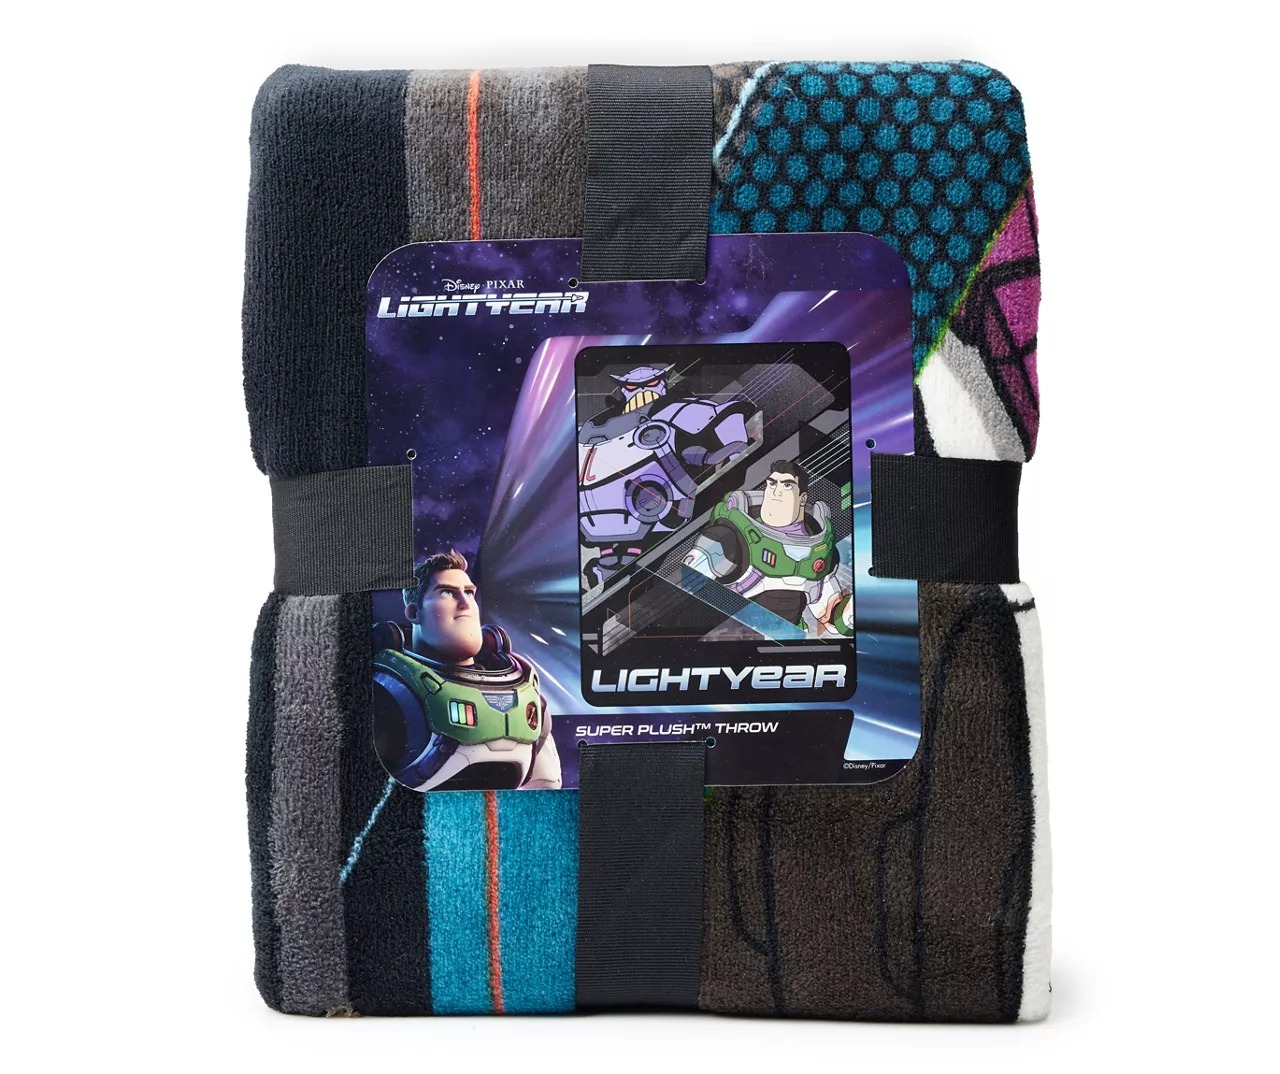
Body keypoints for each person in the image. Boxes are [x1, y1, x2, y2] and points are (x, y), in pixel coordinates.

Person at [372, 550, 562, 791]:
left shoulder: (525, 691)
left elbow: (545, 787)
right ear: (413, 612)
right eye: (447, 592)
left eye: (470, 593)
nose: (465, 603)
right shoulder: (388, 692)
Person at [684, 460, 854, 637]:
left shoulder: (820, 550)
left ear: (802, 498)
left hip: (790, 642)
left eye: (787, 485)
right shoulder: (729, 538)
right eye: (772, 484)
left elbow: (833, 616)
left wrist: (846, 615)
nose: (776, 492)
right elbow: (687, 591)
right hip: (732, 637)